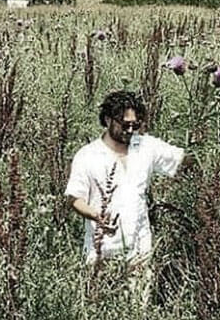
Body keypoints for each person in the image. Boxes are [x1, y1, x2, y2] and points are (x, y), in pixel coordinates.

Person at [64, 90, 191, 299]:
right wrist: (96, 215)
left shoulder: (146, 146)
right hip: (102, 250)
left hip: (139, 249)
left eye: (135, 124)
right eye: (125, 124)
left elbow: (182, 160)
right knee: (99, 306)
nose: (130, 130)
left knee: (137, 307)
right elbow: (74, 199)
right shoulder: (87, 156)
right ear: (108, 119)